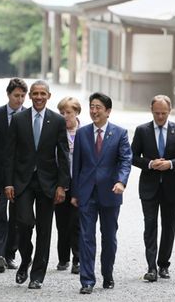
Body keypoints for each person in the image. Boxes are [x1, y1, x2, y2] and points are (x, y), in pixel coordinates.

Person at [5, 80, 70, 290]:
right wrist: (8, 183)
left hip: (48, 182)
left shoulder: (58, 121)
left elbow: (63, 154)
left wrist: (63, 185)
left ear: (48, 96)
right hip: (22, 181)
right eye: (35, 94)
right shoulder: (18, 119)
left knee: (45, 229)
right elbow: (10, 154)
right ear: (30, 96)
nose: (39, 97)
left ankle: (37, 275)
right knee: (23, 222)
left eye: (43, 93)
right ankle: (26, 258)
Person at [71, 92, 132, 295]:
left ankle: (108, 274)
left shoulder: (120, 133)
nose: (94, 111)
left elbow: (125, 160)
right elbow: (77, 165)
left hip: (110, 192)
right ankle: (87, 280)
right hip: (86, 193)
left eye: (98, 107)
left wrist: (121, 182)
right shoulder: (82, 133)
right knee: (86, 237)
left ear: (108, 111)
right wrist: (75, 192)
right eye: (92, 106)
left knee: (109, 237)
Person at [131, 95, 175, 282]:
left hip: (171, 186)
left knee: (169, 227)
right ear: (151, 110)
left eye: (164, 113)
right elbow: (132, 156)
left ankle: (163, 264)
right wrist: (150, 163)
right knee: (150, 226)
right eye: (157, 113)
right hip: (149, 186)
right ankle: (151, 267)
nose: (160, 117)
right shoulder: (142, 130)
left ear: (170, 111)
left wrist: (171, 164)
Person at [0, 78, 28, 273]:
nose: (19, 100)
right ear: (8, 94)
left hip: (21, 175)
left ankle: (11, 254)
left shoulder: (29, 116)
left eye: (22, 96)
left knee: (18, 218)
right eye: (16, 95)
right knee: (0, 213)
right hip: (0, 174)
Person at [55, 97, 81, 274]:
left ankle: (77, 259)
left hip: (79, 183)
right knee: (62, 222)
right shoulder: (55, 132)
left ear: (77, 113)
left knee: (77, 222)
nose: (65, 116)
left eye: (68, 113)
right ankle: (63, 258)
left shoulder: (85, 132)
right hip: (60, 183)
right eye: (61, 113)